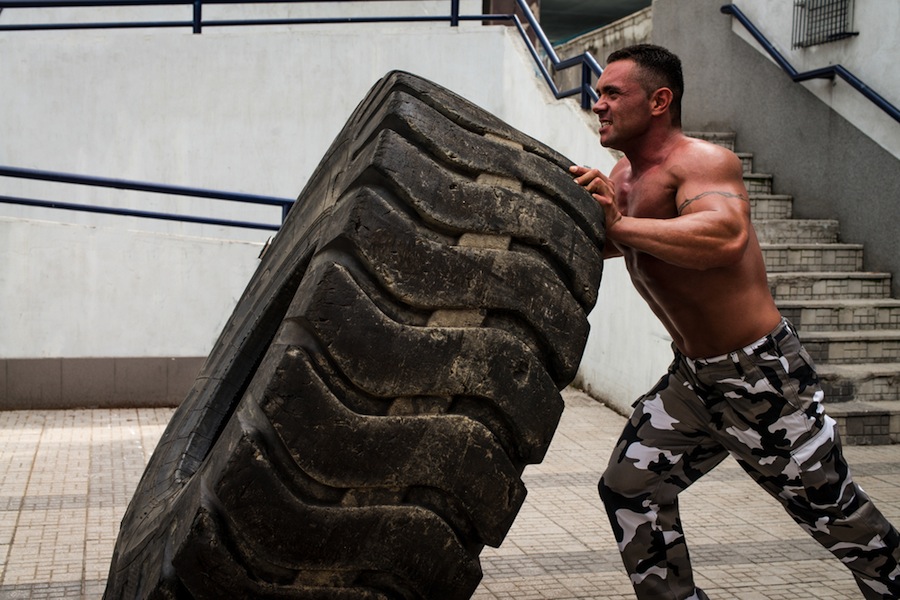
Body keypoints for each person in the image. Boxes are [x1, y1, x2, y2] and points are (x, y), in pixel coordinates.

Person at [571, 43, 900, 600]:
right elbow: (610, 236)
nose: (597, 103)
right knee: (630, 490)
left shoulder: (700, 162)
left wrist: (621, 228)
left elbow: (725, 235)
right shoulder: (624, 176)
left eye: (611, 93)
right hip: (694, 381)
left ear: (659, 100)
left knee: (838, 520)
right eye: (597, 93)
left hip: (760, 375)